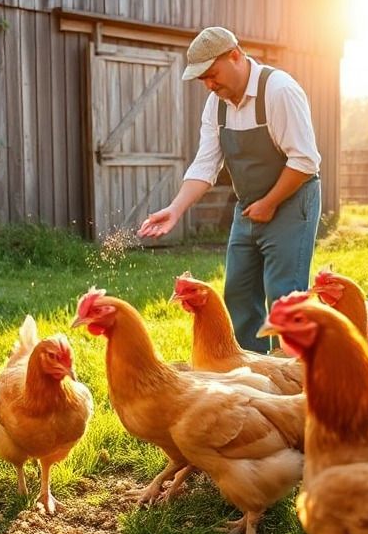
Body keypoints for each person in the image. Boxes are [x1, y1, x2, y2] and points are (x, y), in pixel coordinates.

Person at [137, 26, 321, 353]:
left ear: (235, 56)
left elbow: (305, 161)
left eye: (212, 74)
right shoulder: (216, 105)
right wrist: (175, 209)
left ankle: (292, 383)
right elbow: (206, 164)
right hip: (250, 205)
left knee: (284, 297)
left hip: (292, 202)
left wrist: (270, 202)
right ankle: (251, 376)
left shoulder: (278, 91)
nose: (209, 84)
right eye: (202, 79)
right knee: (238, 290)